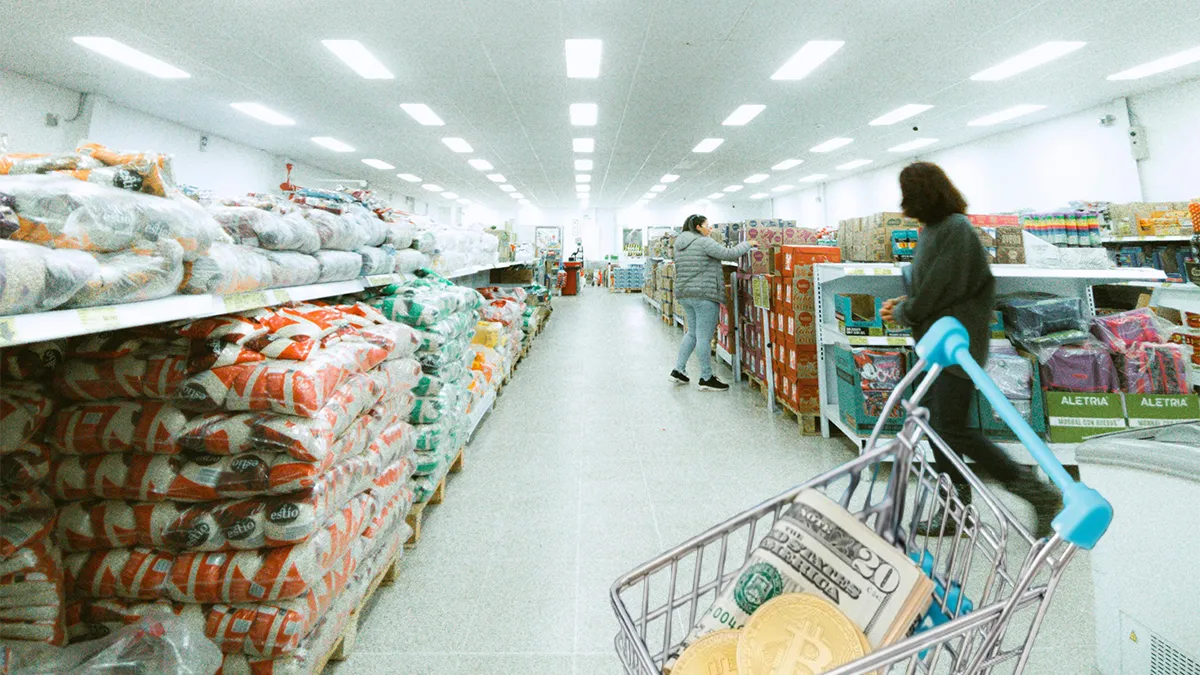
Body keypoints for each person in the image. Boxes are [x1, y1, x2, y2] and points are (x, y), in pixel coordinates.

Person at [880, 162, 1060, 538]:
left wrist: (904, 311)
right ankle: (953, 506)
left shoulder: (955, 230)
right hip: (938, 346)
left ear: (922, 193)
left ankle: (1034, 492)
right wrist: (905, 303)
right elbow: (934, 287)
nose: (903, 201)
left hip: (957, 348)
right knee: (937, 426)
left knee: (953, 429)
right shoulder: (934, 231)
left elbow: (939, 290)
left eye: (908, 192)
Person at [671, 215, 753, 391]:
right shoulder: (703, 242)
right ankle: (706, 378)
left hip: (685, 294)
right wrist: (748, 244)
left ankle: (678, 370)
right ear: (699, 227)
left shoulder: (679, 244)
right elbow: (728, 254)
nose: (710, 228)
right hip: (704, 294)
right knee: (703, 337)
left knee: (692, 333)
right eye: (707, 225)